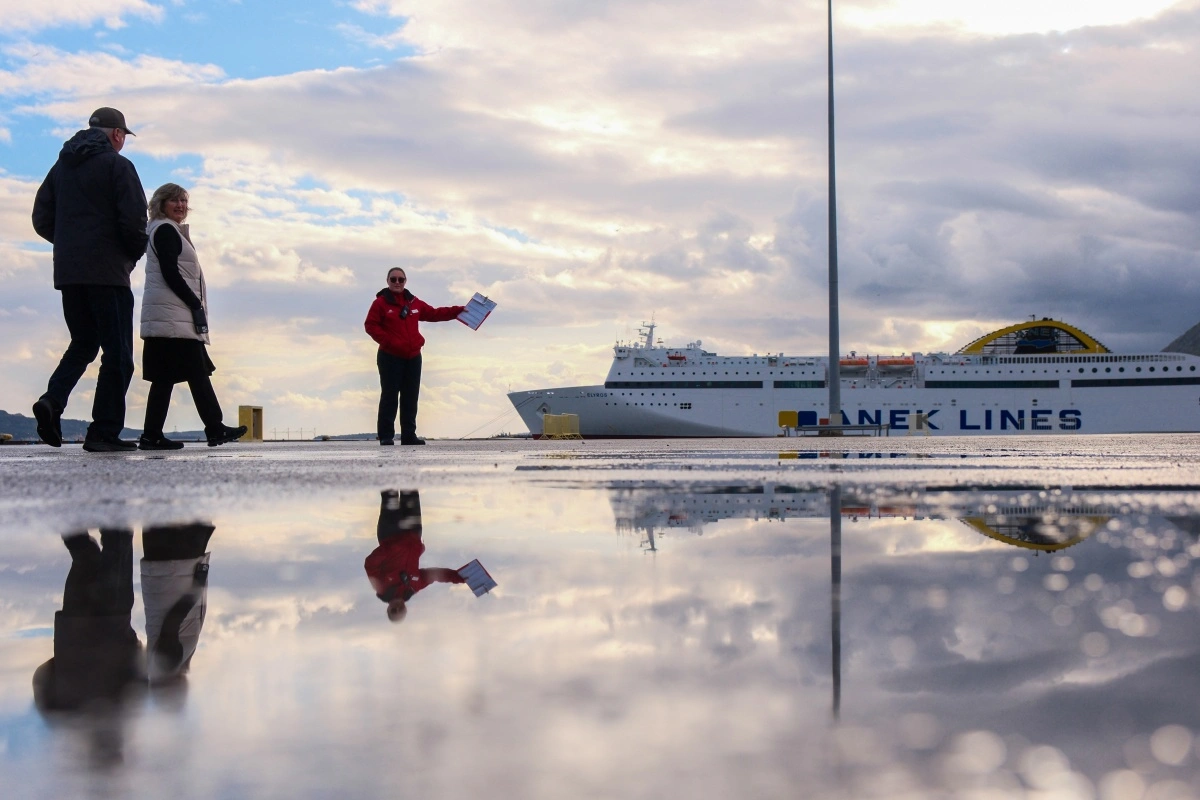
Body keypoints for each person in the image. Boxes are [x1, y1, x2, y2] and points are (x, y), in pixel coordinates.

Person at [31, 107, 149, 452]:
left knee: (83, 343)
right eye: (124, 136)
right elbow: (133, 222)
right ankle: (103, 432)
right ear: (117, 134)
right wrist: (128, 255)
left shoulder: (61, 168)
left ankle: (52, 401)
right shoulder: (118, 166)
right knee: (118, 354)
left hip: (69, 273)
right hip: (107, 274)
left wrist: (72, 245)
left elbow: (41, 218)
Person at [137, 183, 246, 449]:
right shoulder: (165, 230)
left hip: (166, 317)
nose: (181, 205)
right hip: (173, 317)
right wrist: (193, 302)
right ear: (161, 203)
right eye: (174, 200)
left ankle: (152, 434)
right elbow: (170, 272)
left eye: (184, 201)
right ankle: (214, 428)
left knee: (165, 378)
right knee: (196, 373)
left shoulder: (164, 230)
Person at [364, 268, 464, 445]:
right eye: (393, 279)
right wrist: (389, 342)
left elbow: (434, 313)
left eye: (400, 279)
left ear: (405, 281)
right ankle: (386, 436)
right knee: (390, 395)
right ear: (387, 281)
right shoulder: (380, 303)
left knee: (411, 396)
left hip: (413, 357)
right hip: (390, 356)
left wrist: (461, 310)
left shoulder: (414, 302)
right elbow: (370, 325)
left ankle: (409, 435)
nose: (397, 282)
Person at [365, 490, 465, 622]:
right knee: (410, 490)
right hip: (413, 533)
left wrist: (390, 548)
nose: (397, 609)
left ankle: (384, 469)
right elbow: (435, 574)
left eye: (393, 611)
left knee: (390, 492)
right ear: (406, 610)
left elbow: (370, 564)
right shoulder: (413, 587)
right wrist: (460, 577)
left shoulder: (382, 588)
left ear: (388, 609)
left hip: (390, 532)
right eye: (400, 612)